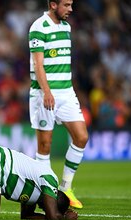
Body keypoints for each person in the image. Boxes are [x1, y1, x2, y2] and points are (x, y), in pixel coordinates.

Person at [28, 0, 89, 208]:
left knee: (81, 137)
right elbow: (38, 64)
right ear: (53, 5)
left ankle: (65, 187)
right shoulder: (38, 27)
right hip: (44, 93)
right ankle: (45, 193)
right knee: (45, 146)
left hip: (66, 92)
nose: (71, 9)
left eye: (71, 4)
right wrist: (47, 91)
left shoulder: (66, 27)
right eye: (66, 5)